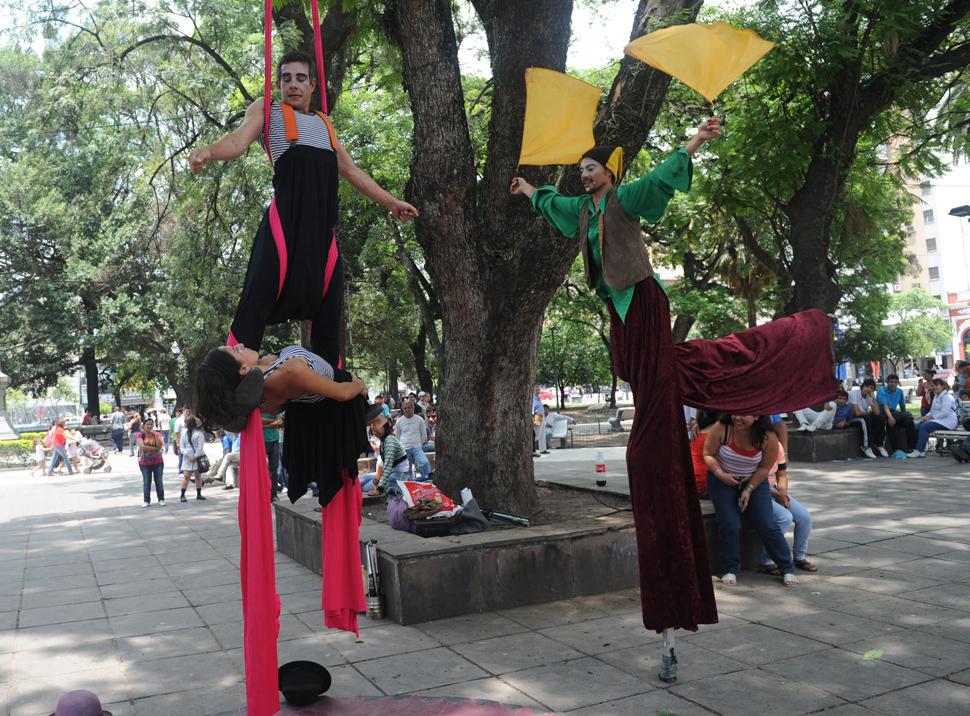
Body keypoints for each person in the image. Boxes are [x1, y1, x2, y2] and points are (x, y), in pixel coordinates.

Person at [512, 118, 839, 630]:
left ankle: (771, 351)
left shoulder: (627, 196)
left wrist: (697, 139)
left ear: (609, 172)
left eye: (590, 168)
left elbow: (665, 176)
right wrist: (530, 188)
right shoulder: (581, 209)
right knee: (637, 370)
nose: (583, 175)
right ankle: (703, 380)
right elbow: (552, 205)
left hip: (642, 298)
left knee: (661, 378)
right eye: (580, 169)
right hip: (615, 308)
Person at [188, 51, 417, 367]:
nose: (292, 85)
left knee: (328, 321)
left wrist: (391, 202)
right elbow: (238, 141)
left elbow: (351, 171)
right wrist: (208, 152)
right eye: (285, 78)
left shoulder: (325, 124)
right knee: (253, 307)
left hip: (321, 237)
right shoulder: (268, 110)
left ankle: (329, 393)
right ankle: (234, 384)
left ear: (312, 85)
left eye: (299, 78)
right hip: (284, 228)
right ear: (279, 83)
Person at [194, 343, 368, 505]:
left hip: (330, 402)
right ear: (244, 369)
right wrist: (359, 384)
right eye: (236, 350)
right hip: (346, 393)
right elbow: (343, 393)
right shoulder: (288, 373)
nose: (240, 344)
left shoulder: (265, 372)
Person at [703, 415, 799, 587]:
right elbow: (708, 454)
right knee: (730, 523)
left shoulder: (768, 437)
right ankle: (731, 568)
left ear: (756, 417)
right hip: (721, 478)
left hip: (754, 480)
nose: (737, 418)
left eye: (744, 415)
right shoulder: (722, 427)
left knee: (766, 523)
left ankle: (787, 567)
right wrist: (721, 475)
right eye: (735, 413)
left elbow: (764, 468)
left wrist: (748, 489)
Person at [756, 443, 816, 575]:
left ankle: (799, 557)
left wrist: (782, 493)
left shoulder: (776, 446)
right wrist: (776, 495)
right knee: (785, 518)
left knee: (805, 518)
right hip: (757, 492)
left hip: (776, 490)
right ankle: (766, 561)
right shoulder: (751, 446)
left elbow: (781, 475)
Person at [366, 404, 410, 495]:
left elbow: (388, 467)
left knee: (364, 487)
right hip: (391, 474)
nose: (374, 432)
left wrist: (379, 489)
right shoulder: (383, 440)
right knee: (362, 480)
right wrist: (377, 479)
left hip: (398, 476)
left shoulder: (389, 441)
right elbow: (382, 465)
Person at [909, 378, 959, 457]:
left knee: (924, 427)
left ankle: (920, 451)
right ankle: (914, 448)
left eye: (937, 385)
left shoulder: (947, 397)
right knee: (916, 425)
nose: (934, 387)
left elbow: (945, 413)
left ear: (942, 386)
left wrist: (931, 418)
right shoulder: (936, 396)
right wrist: (924, 417)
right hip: (938, 420)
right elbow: (932, 411)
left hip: (948, 421)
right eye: (933, 385)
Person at [876, 374, 916, 454]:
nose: (893, 384)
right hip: (884, 413)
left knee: (909, 422)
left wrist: (905, 416)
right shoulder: (882, 390)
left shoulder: (899, 391)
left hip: (895, 413)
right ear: (887, 382)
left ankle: (912, 448)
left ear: (898, 383)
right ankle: (895, 449)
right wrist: (890, 417)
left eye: (895, 382)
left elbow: (902, 406)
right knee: (891, 424)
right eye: (891, 382)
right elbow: (885, 406)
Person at [395, 400, 432, 480]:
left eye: (409, 407)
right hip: (404, 448)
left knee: (424, 462)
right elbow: (397, 436)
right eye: (405, 408)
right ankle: (410, 484)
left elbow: (424, 435)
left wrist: (419, 444)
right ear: (403, 409)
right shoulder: (399, 421)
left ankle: (428, 479)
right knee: (407, 470)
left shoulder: (419, 420)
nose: (407, 410)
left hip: (417, 447)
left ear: (413, 408)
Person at [848, 379, 882, 459]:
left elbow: (877, 412)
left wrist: (873, 398)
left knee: (879, 418)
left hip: (863, 416)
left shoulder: (869, 396)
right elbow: (856, 412)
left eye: (871, 388)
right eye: (867, 386)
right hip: (853, 418)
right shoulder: (853, 394)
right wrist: (868, 413)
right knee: (865, 419)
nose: (868, 389)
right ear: (862, 387)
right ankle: (866, 446)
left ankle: (878, 445)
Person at [136, 418, 165, 507]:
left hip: (158, 462)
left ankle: (161, 499)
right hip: (145, 463)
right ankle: (146, 500)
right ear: (144, 425)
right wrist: (155, 449)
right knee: (146, 482)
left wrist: (155, 435)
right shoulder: (140, 435)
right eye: (147, 424)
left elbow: (160, 445)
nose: (149, 426)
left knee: (159, 482)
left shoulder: (157, 434)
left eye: (151, 424)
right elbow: (142, 447)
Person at [178, 416, 207, 501]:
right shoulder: (184, 433)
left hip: (196, 458)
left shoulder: (199, 433)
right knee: (187, 476)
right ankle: (182, 495)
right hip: (188, 458)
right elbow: (182, 447)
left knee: (197, 476)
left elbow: (200, 447)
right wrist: (189, 455)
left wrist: (194, 456)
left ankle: (198, 494)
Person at [262, 410, 284, 500]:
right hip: (261, 441)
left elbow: (281, 422)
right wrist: (273, 422)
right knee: (262, 470)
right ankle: (262, 494)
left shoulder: (275, 407)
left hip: (275, 441)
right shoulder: (260, 409)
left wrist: (264, 424)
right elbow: (258, 420)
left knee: (274, 470)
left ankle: (273, 494)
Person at [531, 387, 546, 456]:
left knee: (540, 433)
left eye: (538, 390)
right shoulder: (533, 399)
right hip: (537, 416)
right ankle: (532, 449)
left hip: (541, 416)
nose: (538, 391)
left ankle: (542, 449)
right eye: (536, 390)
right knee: (536, 433)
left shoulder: (538, 398)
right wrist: (534, 419)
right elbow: (532, 409)